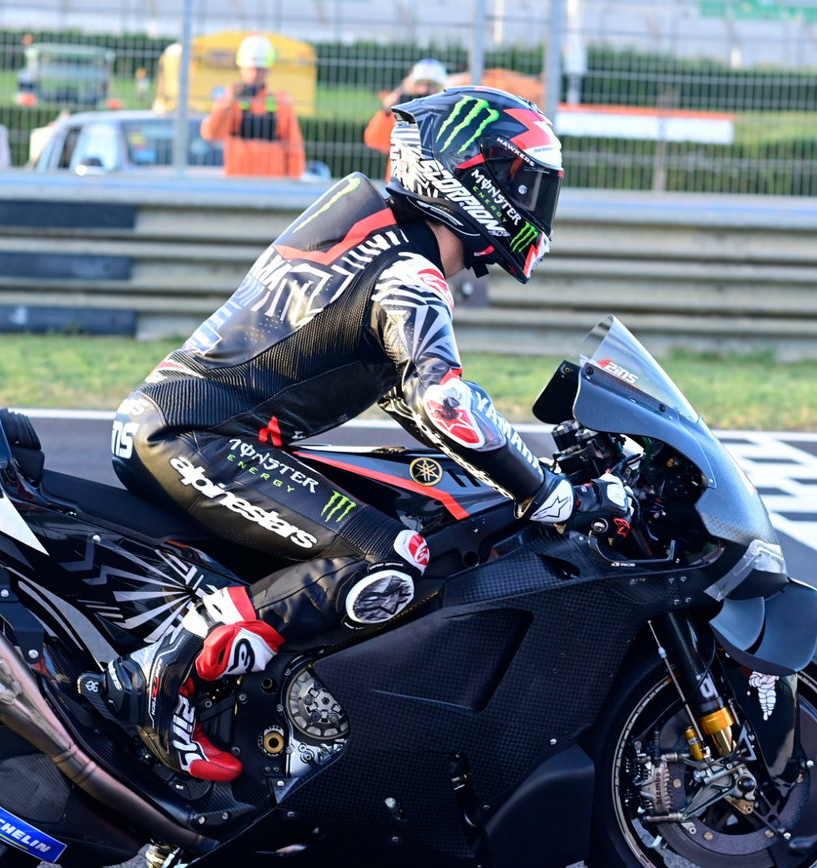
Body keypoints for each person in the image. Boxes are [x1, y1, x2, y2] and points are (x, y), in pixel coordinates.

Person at [104, 87, 634, 780]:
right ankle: (163, 678)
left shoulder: (376, 228)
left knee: (401, 511)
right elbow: (443, 400)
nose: (534, 205)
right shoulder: (408, 271)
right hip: (199, 439)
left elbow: (411, 402)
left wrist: (516, 473)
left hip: (192, 430)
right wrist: (548, 494)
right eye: (523, 183)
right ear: (470, 175)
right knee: (388, 558)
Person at [199, 34, 305, 179]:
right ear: (241, 68)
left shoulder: (280, 104)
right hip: (237, 183)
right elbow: (211, 134)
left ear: (268, 70)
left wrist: (293, 183)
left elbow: (294, 147)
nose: (255, 74)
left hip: (272, 185)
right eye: (251, 69)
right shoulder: (230, 102)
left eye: (260, 69)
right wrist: (226, 104)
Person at [363, 58, 448, 156]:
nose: (424, 90)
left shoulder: (449, 114)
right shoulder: (400, 112)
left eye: (430, 85)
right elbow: (376, 142)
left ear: (441, 89)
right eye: (420, 84)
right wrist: (386, 112)